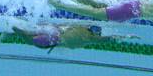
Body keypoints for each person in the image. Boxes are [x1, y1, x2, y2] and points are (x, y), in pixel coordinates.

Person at [9, 21, 138, 52]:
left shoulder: (89, 36)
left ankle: (15, 29)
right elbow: (110, 38)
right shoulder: (86, 35)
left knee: (30, 36)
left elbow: (110, 38)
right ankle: (14, 29)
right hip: (55, 37)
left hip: (53, 37)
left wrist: (127, 36)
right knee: (31, 37)